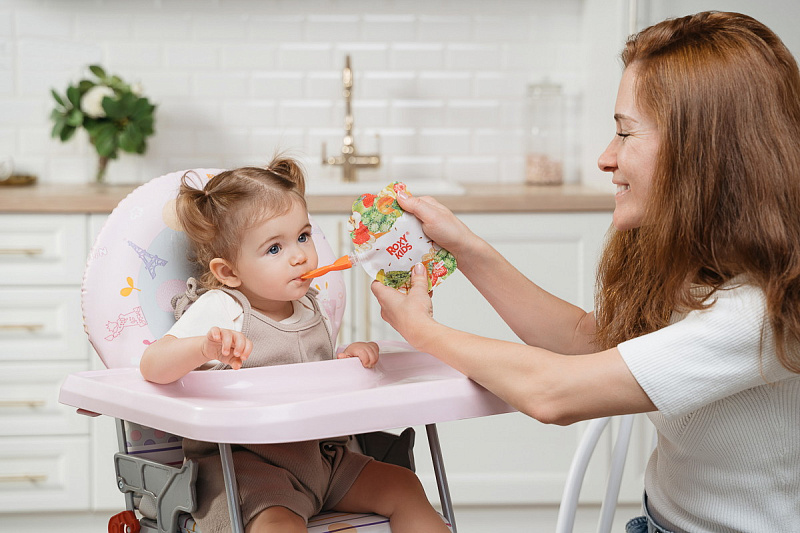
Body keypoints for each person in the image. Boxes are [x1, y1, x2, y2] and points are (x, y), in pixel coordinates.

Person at [372, 11, 800, 533]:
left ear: (703, 153)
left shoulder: (761, 312)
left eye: (625, 132)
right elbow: (587, 341)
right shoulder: (705, 268)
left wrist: (421, 331)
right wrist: (466, 249)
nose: (605, 157)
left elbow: (553, 392)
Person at [139, 158, 450, 533]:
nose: (300, 255)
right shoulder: (222, 309)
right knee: (278, 524)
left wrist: (347, 362)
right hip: (248, 469)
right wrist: (204, 348)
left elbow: (310, 378)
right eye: (274, 248)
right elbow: (152, 365)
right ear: (229, 272)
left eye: (303, 237)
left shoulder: (310, 306)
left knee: (403, 485)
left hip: (321, 457)